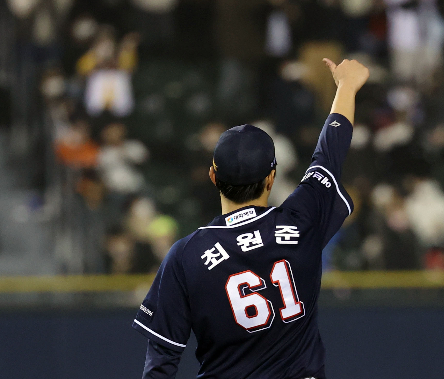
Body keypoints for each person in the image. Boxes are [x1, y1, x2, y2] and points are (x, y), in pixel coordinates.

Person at [131, 58, 370, 378]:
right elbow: (329, 156)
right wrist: (347, 87)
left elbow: (161, 359)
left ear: (213, 176)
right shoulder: (300, 224)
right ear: (271, 178)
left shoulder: (187, 255)